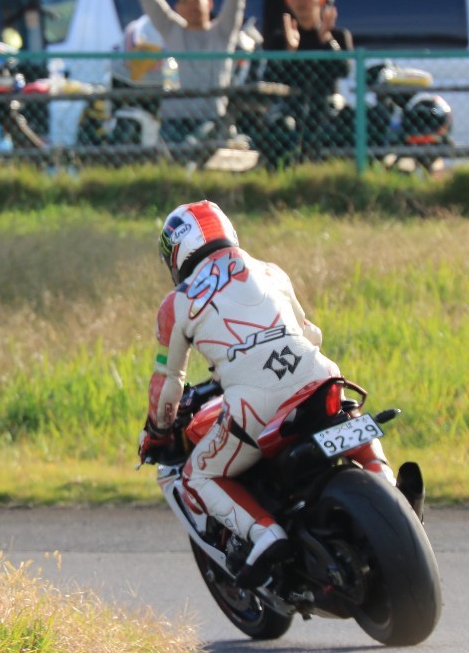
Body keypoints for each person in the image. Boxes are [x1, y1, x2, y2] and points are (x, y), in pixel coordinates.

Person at [138, 200, 414, 586]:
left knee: (197, 476)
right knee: (348, 417)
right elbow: (310, 333)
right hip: (320, 375)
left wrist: (157, 432)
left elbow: (168, 384)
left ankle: (266, 534)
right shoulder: (270, 270)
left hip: (255, 406)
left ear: (175, 255)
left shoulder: (177, 302)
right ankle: (388, 484)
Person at [123, 0, 245, 145]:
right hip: (173, 120)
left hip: (212, 119)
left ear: (209, 3)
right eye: (184, 1)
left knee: (194, 145)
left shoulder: (222, 33)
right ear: (177, 8)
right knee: (171, 152)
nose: (191, 6)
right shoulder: (173, 30)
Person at [257, 0, 353, 164]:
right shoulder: (280, 39)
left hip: (325, 105)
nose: (302, 1)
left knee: (348, 118)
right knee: (278, 125)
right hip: (290, 105)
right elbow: (270, 75)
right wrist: (289, 51)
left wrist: (327, 40)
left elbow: (344, 70)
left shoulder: (338, 36)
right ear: (289, 0)